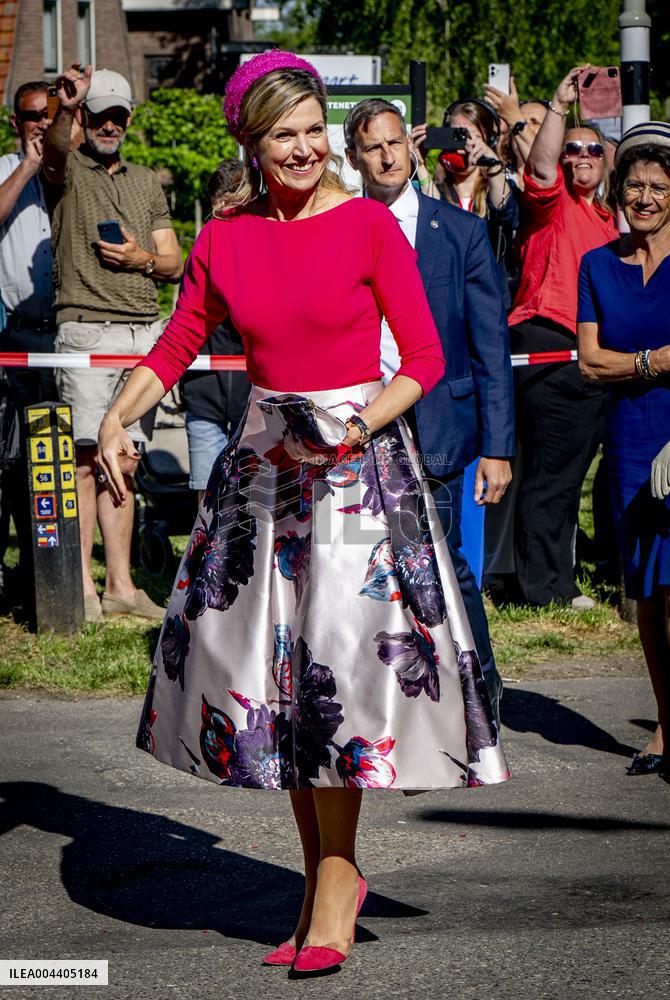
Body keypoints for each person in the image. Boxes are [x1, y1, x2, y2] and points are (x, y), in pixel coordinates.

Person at [96, 51, 510, 977]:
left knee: (337, 675)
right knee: (280, 691)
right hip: (260, 472)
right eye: (284, 132)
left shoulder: (368, 226)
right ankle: (325, 879)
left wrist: (354, 427)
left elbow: (428, 360)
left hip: (357, 469)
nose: (304, 147)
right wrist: (120, 419)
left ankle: (332, 885)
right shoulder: (225, 237)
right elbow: (179, 340)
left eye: (314, 129)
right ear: (252, 141)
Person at [343, 97, 514, 722]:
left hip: (438, 422)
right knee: (366, 564)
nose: (388, 156)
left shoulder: (459, 231)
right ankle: (387, 696)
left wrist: (498, 447)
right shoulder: (344, 225)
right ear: (355, 157)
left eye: (396, 142)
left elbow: (491, 345)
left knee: (441, 561)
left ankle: (481, 689)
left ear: (410, 148)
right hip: (360, 419)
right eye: (373, 146)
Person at [41, 65, 183, 623]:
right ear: (86, 117)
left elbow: (172, 261)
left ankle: (121, 587)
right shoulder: (69, 169)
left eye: (117, 115)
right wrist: (65, 109)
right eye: (97, 114)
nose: (108, 124)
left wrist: (141, 259)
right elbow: (52, 154)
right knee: (80, 459)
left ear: (128, 118)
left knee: (122, 458)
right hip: (85, 329)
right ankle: (79, 588)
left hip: (142, 332)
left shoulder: (146, 180)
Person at [578, 121, 670, 781]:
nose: (644, 197)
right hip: (630, 438)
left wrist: (625, 363)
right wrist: (653, 361)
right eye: (634, 184)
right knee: (645, 590)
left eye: (658, 186)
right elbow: (588, 361)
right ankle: (666, 723)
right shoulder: (597, 265)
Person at [506, 65, 618, 609]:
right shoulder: (550, 205)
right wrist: (557, 105)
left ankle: (558, 578)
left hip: (592, 357)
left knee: (568, 477)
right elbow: (542, 165)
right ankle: (542, 589)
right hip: (549, 346)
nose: (580, 156)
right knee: (551, 478)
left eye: (593, 150)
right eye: (573, 148)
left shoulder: (607, 220)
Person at [0, 80, 57, 606]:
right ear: (16, 121)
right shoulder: (6, 168)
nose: (43, 121)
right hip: (13, 336)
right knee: (13, 459)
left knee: (57, 460)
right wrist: (26, 169)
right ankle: (16, 568)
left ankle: (54, 572)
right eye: (33, 114)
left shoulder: (68, 169)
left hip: (63, 335)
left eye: (51, 113)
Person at [180, 159, 250, 505]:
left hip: (251, 397)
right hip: (204, 394)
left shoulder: (260, 249)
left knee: (252, 499)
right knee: (207, 503)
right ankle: (204, 560)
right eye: (224, 206)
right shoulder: (200, 252)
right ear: (212, 205)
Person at [435, 98, 520, 309]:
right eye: (456, 134)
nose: (463, 143)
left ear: (488, 141)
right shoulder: (436, 189)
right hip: (445, 302)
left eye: (471, 136)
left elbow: (506, 211)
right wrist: (418, 163)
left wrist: (492, 163)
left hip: (489, 302)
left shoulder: (497, 185)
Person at [484, 76, 548, 190]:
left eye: (534, 121)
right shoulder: (494, 178)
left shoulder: (562, 180)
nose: (525, 128)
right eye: (518, 124)